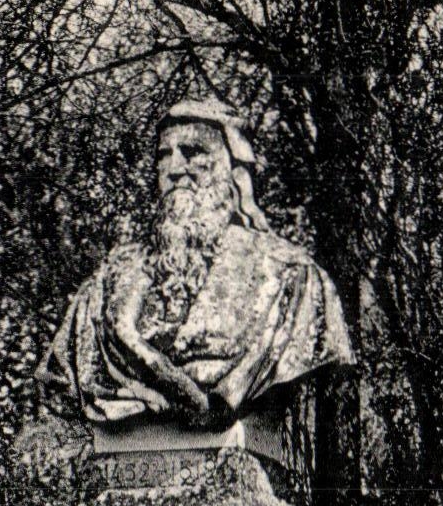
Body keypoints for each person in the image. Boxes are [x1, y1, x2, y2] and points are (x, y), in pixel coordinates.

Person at [37, 99, 353, 426]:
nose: (174, 169)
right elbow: (63, 374)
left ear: (235, 171)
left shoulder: (293, 276)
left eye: (193, 152)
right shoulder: (108, 280)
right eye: (163, 156)